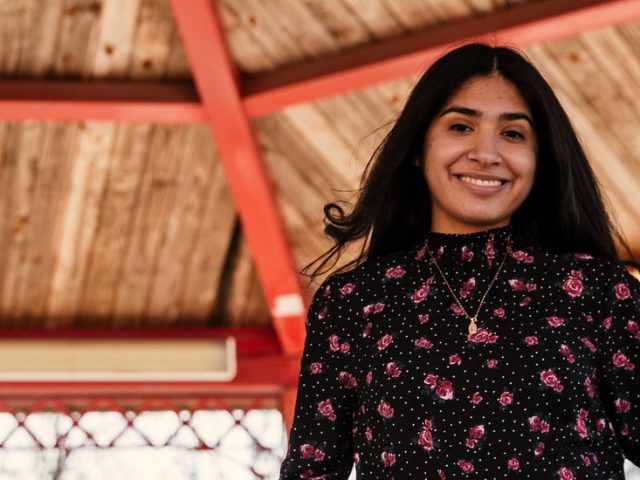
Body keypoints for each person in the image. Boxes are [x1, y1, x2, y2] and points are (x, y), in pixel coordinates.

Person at [279, 43, 640, 479]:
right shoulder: (353, 303)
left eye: (512, 133)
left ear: (540, 160)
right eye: (461, 126)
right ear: (418, 147)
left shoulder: (599, 291)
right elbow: (311, 472)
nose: (486, 153)